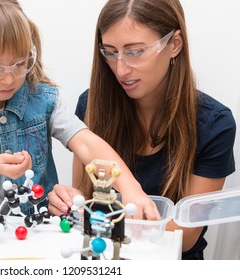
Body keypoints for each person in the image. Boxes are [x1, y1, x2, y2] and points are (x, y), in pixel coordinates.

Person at [0, 0, 159, 219]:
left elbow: (86, 143)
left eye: (19, 64)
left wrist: (130, 189)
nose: (8, 79)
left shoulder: (45, 100)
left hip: (32, 235)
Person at [47, 0, 236, 260]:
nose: (120, 69)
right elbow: (85, 192)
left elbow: (183, 236)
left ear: (175, 44)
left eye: (135, 51)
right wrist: (70, 201)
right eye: (110, 52)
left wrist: (100, 219)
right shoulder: (91, 105)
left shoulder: (215, 125)